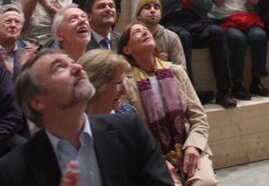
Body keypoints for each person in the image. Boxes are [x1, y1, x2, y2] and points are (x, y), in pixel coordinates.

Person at [0, 48, 173, 185]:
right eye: (59, 67)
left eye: (72, 62)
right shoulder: (12, 170)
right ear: (37, 101)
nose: (77, 67)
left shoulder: (130, 130)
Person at [119, 22, 217, 186]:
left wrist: (193, 146)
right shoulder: (125, 84)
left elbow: (199, 116)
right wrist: (157, 161)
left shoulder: (177, 71)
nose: (145, 32)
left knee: (205, 183)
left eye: (146, 30)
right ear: (127, 49)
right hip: (151, 157)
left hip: (188, 145)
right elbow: (131, 136)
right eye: (137, 32)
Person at [153, 0, 236, 109]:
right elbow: (158, 0)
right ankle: (190, 93)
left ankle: (224, 91)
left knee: (218, 32)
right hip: (172, 19)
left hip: (198, 20)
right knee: (182, 37)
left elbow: (208, 4)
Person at [136, 0, 186, 69]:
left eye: (156, 8)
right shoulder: (131, 37)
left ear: (161, 15)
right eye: (147, 7)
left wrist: (163, 65)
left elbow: (182, 70)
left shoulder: (172, 38)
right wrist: (154, 62)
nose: (152, 10)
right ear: (138, 15)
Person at [78, 49, 133, 114]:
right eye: (118, 83)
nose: (124, 91)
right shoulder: (72, 118)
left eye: (124, 82)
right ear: (95, 85)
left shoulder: (128, 113)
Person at [0, 4, 35, 78]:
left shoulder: (26, 50)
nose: (13, 25)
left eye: (17, 22)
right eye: (8, 21)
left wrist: (24, 67)